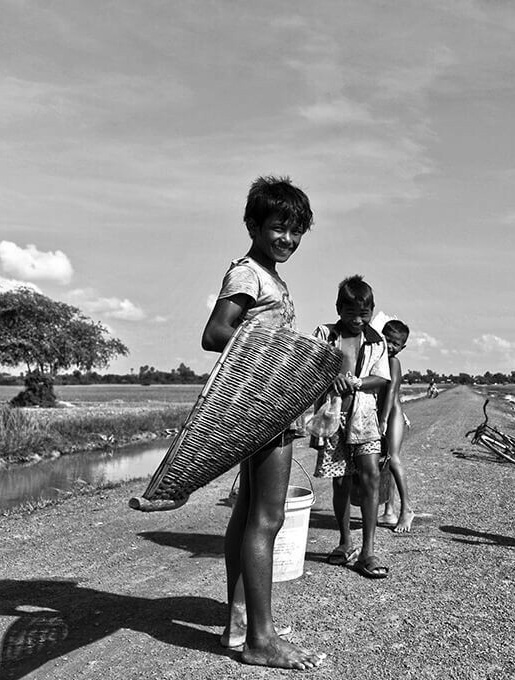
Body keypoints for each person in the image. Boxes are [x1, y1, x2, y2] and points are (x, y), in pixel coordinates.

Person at [200, 176, 324, 670]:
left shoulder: (268, 275)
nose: (288, 240)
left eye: (296, 232)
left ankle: (240, 621)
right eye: (278, 228)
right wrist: (284, 355)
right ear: (252, 224)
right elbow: (216, 333)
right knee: (267, 519)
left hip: (264, 404)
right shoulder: (249, 274)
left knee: (248, 512)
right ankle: (260, 638)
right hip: (262, 407)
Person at [310, 275, 390, 578]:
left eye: (364, 314)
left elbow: (381, 378)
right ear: (338, 309)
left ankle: (368, 550)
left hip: (364, 418)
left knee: (370, 476)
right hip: (333, 418)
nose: (357, 320)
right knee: (340, 481)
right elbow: (310, 369)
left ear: (371, 311)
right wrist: (333, 379)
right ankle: (345, 543)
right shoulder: (325, 334)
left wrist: (356, 382)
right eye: (351, 313)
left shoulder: (376, 340)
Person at [375, 319, 416, 533]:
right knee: (387, 462)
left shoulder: (393, 363)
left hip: (392, 414)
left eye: (396, 344)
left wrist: (382, 419)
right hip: (386, 414)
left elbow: (390, 394)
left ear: (403, 347)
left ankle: (406, 509)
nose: (390, 346)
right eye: (387, 340)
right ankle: (389, 511)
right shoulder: (378, 359)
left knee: (393, 459)